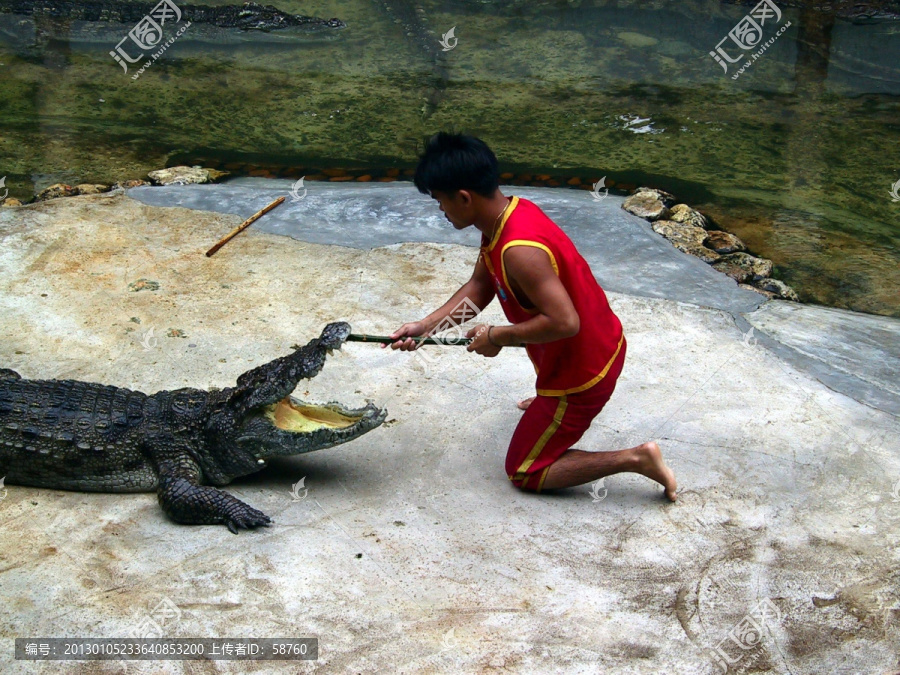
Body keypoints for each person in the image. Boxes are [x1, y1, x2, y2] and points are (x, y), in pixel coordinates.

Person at [386, 132, 677, 500]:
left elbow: (564, 323)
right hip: (598, 343)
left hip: (583, 376)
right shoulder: (507, 214)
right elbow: (480, 287)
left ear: (463, 197)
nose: (440, 210)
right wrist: (425, 328)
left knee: (525, 471)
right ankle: (548, 404)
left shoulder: (520, 250)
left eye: (440, 200)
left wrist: (496, 336)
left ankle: (637, 458)